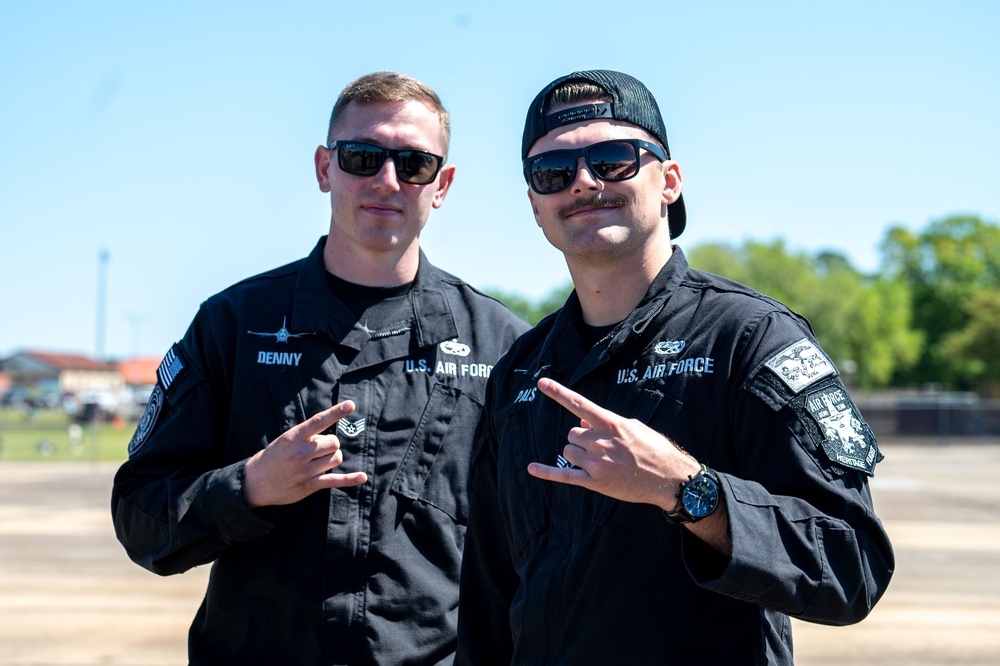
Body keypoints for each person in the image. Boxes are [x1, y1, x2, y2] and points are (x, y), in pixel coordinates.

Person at [456, 70, 894, 665]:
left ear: (669, 181)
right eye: (553, 172)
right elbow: (490, 600)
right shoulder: (519, 372)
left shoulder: (750, 339)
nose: (584, 182)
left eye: (613, 160)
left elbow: (852, 567)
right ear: (535, 204)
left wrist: (687, 490)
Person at [111, 71, 529, 665]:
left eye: (413, 163)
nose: (387, 181)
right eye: (362, 157)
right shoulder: (233, 325)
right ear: (324, 167)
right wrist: (250, 487)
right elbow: (140, 513)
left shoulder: (501, 344)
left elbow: (537, 550)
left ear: (442, 184)